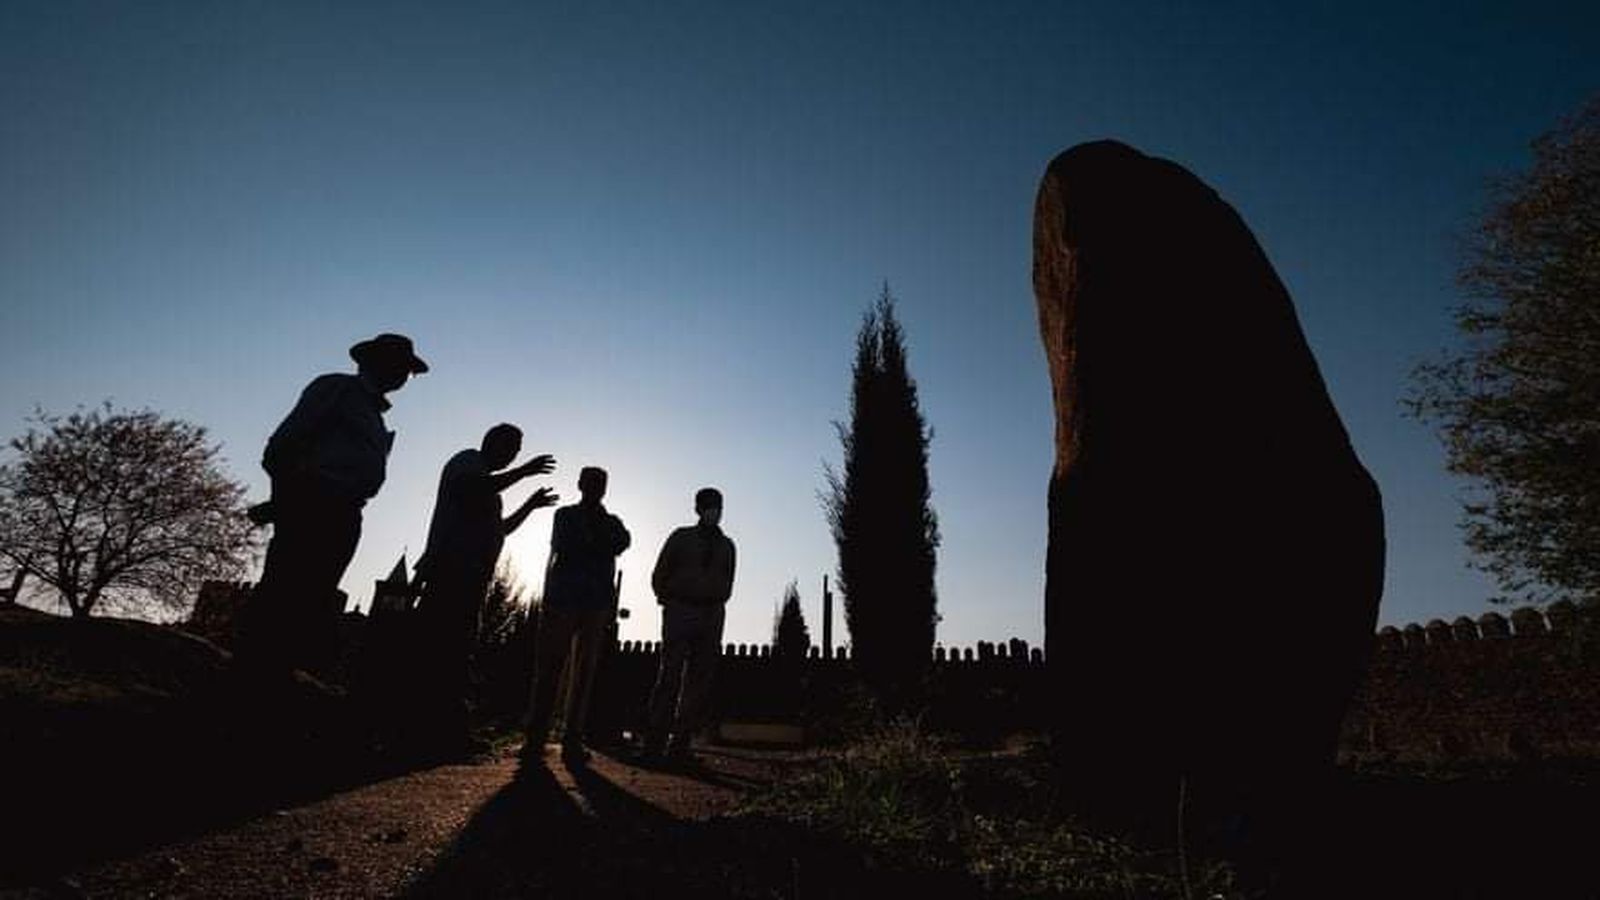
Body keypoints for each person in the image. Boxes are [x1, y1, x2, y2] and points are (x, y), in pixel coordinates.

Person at [238, 332, 428, 678]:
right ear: (372, 362)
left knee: (313, 599)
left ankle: (278, 677)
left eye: (407, 370)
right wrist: (289, 504)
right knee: (284, 594)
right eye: (398, 366)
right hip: (316, 506)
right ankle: (253, 677)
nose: (403, 375)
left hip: (344, 512)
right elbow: (282, 447)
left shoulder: (374, 415)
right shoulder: (337, 389)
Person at [412, 424, 557, 757]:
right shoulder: (467, 462)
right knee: (440, 648)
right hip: (451, 571)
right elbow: (470, 490)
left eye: (518, 451)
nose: (514, 455)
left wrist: (530, 506)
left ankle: (444, 727)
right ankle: (426, 729)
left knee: (457, 651)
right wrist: (524, 472)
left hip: (473, 579)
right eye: (512, 447)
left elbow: (501, 530)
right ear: (493, 443)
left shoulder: (493, 491)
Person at [522, 466, 630, 766]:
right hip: (563, 599)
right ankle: (536, 736)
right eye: (591, 482)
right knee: (550, 667)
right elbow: (564, 544)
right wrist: (597, 545)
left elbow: (622, 541)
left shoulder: (612, 522)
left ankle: (572, 737)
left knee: (584, 673)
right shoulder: (565, 516)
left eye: (601, 483)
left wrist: (592, 544)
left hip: (594, 604)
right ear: (581, 484)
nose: (596, 487)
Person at [643, 487, 735, 762]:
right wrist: (667, 598)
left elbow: (728, 580)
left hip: (712, 614)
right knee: (669, 676)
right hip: (680, 610)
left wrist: (715, 601)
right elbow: (660, 572)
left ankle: (680, 744)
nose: (714, 511)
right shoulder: (681, 538)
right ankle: (654, 742)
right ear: (698, 509)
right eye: (708, 506)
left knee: (698, 681)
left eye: (718, 506)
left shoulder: (727, 545)